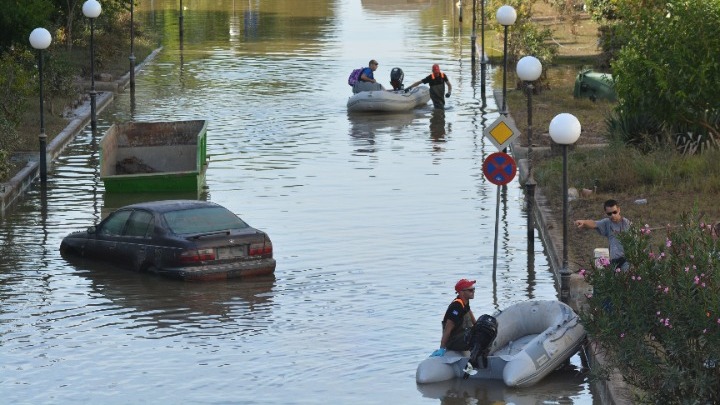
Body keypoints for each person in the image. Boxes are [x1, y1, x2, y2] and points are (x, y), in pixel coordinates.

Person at [574, 199, 631, 270]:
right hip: (614, 260)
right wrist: (584, 222)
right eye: (609, 214)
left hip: (626, 260)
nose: (612, 215)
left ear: (619, 210)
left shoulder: (626, 223)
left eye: (615, 212)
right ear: (606, 213)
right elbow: (594, 223)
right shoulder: (607, 222)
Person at [430, 278, 477, 356]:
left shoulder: (465, 302)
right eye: (470, 290)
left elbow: (472, 318)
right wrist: (442, 348)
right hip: (454, 341)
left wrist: (479, 328)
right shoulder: (456, 307)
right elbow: (447, 329)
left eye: (473, 289)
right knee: (478, 339)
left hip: (462, 335)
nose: (473, 292)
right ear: (461, 292)